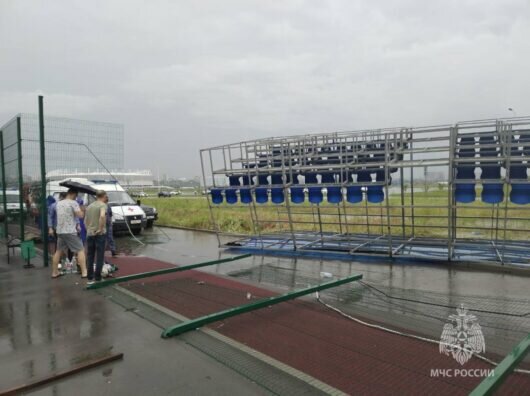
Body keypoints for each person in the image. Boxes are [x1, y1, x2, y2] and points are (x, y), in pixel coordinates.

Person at [52, 189, 87, 279]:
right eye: (76, 195)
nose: (76, 197)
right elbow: (80, 215)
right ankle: (84, 272)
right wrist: (82, 209)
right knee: (80, 250)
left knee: (58, 251)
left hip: (60, 231)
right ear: (73, 194)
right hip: (70, 231)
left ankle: (54, 272)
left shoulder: (59, 203)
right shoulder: (73, 203)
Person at [84, 190, 108, 284]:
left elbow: (85, 220)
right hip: (99, 234)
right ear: (104, 196)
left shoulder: (89, 206)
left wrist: (88, 229)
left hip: (90, 233)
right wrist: (100, 229)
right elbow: (102, 216)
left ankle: (90, 277)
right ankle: (97, 277)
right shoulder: (102, 205)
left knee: (90, 255)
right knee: (99, 256)